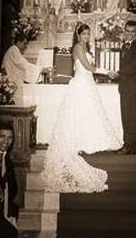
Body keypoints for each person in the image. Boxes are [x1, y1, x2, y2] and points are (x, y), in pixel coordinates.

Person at [41, 23, 122, 192]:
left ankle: (89, 140)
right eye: (83, 34)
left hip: (88, 85)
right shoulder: (78, 48)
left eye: (88, 34)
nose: (86, 36)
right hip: (80, 86)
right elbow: (88, 67)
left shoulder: (87, 48)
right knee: (79, 114)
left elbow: (90, 68)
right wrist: (108, 72)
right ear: (78, 35)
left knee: (90, 114)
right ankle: (79, 141)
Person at [113, 20, 136, 155]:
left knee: (132, 117)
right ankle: (127, 144)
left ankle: (131, 147)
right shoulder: (125, 46)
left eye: (132, 31)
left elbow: (135, 67)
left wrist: (118, 74)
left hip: (133, 88)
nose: (129, 34)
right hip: (125, 87)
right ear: (124, 31)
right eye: (127, 31)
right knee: (126, 116)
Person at [1, 33, 50, 104]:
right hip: (11, 80)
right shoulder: (14, 50)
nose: (26, 46)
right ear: (19, 42)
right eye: (25, 43)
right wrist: (40, 69)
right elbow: (23, 65)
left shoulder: (14, 50)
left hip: (13, 79)